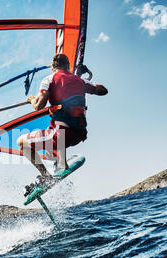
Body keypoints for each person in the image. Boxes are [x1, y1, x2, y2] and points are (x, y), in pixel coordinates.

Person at [17, 54, 108, 194]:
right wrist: (83, 82)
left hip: (61, 135)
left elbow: (38, 106)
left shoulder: (49, 79)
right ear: (68, 66)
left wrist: (31, 100)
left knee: (21, 142)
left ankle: (46, 177)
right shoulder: (80, 81)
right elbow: (103, 90)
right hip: (79, 135)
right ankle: (59, 162)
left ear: (53, 67)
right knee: (48, 148)